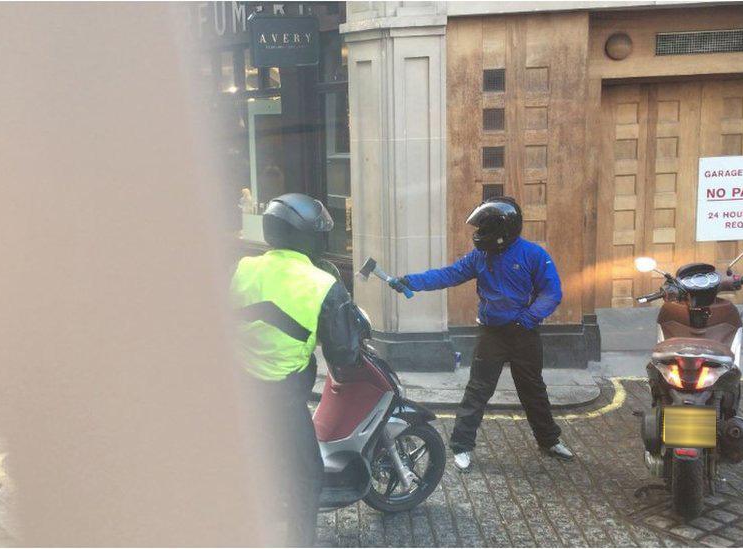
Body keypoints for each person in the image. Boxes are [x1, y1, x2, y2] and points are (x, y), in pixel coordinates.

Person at [389, 196, 574, 471]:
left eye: (485, 229)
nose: (479, 235)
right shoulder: (480, 256)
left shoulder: (533, 255)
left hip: (524, 333)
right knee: (477, 391)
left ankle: (549, 441)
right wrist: (412, 281)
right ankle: (461, 446)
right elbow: (448, 274)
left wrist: (528, 318)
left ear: (504, 231)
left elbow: (551, 293)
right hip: (492, 334)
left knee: (533, 390)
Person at [230, 193, 362, 546]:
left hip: (240, 383)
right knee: (307, 476)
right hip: (282, 394)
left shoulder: (244, 266)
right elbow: (345, 355)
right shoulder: (323, 284)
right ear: (309, 236)